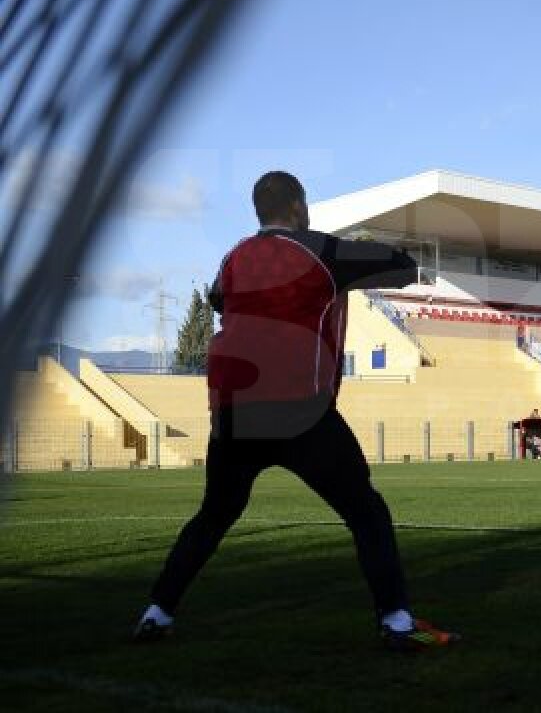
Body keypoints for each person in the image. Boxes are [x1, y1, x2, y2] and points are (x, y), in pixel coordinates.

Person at [133, 172, 458, 651]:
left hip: (233, 411)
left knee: (214, 515)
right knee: (365, 512)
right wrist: (357, 254)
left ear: (257, 212)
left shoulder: (234, 257)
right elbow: (405, 268)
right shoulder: (323, 251)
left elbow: (218, 298)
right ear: (301, 207)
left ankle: (156, 613)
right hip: (298, 409)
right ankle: (396, 622)